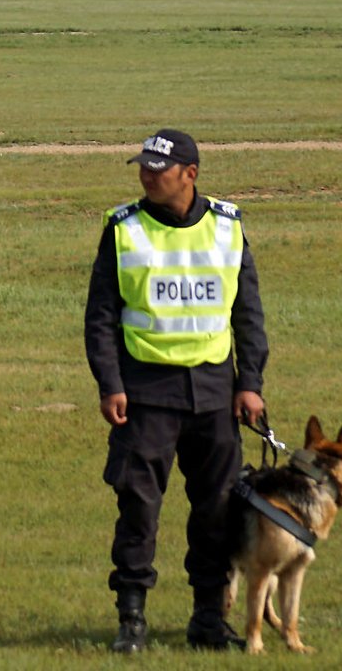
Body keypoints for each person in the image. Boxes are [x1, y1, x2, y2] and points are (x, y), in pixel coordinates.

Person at [85, 129, 268, 654]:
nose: (146, 175)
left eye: (157, 168)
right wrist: (110, 384)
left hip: (214, 392)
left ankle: (209, 620)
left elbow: (247, 313)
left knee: (216, 511)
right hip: (144, 392)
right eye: (142, 166)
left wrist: (250, 384)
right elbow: (101, 316)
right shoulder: (124, 228)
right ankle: (132, 621)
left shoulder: (228, 227)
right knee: (138, 508)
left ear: (190, 174)